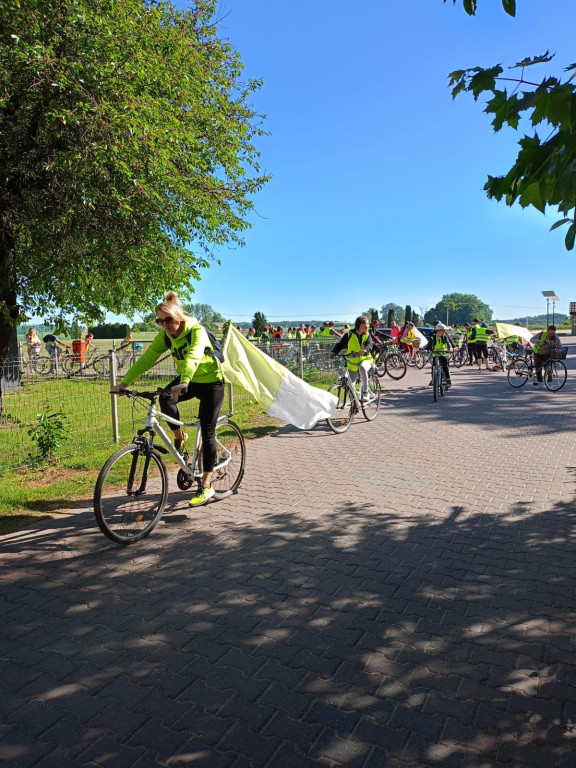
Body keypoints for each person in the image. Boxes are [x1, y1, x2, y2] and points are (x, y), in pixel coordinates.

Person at [112, 291, 225, 507]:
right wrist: (124, 384)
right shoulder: (165, 336)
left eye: (168, 320)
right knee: (165, 399)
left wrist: (184, 382)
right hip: (188, 380)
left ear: (178, 317)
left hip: (211, 381)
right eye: (160, 321)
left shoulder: (196, 331)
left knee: (208, 432)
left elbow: (193, 357)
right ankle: (179, 437)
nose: (164, 325)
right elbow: (146, 360)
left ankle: (207, 486)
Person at [331, 315, 375, 401]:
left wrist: (365, 350)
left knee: (362, 368)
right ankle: (354, 406)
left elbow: (370, 345)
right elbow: (340, 345)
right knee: (350, 386)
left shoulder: (367, 335)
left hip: (365, 360)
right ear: (360, 325)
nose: (368, 326)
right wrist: (333, 352)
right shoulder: (349, 335)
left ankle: (365, 393)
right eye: (367, 324)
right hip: (353, 364)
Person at [425, 323, 454, 389]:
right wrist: (426, 350)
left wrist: (451, 348)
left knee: (445, 366)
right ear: (439, 330)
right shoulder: (433, 338)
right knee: (434, 366)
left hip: (444, 354)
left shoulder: (444, 336)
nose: (444, 332)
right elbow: (428, 346)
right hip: (436, 354)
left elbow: (448, 343)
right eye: (443, 330)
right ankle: (434, 380)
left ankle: (448, 380)